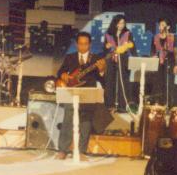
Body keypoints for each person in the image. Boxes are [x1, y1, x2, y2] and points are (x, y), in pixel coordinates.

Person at [54, 32, 106, 160]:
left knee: (86, 122)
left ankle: (81, 151)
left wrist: (101, 70)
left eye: (86, 44)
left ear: (90, 44)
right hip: (71, 91)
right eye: (81, 44)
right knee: (67, 120)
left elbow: (102, 78)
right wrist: (63, 75)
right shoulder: (70, 57)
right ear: (77, 44)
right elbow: (60, 72)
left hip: (88, 92)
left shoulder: (96, 59)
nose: (83, 46)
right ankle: (63, 150)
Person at [103, 14, 135, 112]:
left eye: (123, 23)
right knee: (110, 81)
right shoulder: (109, 34)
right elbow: (104, 48)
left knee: (123, 81)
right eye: (119, 23)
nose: (121, 25)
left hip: (123, 59)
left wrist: (127, 46)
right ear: (115, 23)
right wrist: (107, 46)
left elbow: (132, 47)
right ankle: (110, 104)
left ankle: (123, 105)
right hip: (111, 59)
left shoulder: (127, 33)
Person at [151, 18, 177, 107]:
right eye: (160, 25)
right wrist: (153, 56)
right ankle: (158, 104)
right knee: (158, 84)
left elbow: (175, 52)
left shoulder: (172, 37)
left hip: (169, 62)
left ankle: (168, 105)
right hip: (158, 64)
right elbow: (152, 51)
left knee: (169, 84)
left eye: (163, 25)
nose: (160, 26)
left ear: (168, 27)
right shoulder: (155, 37)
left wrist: (176, 65)